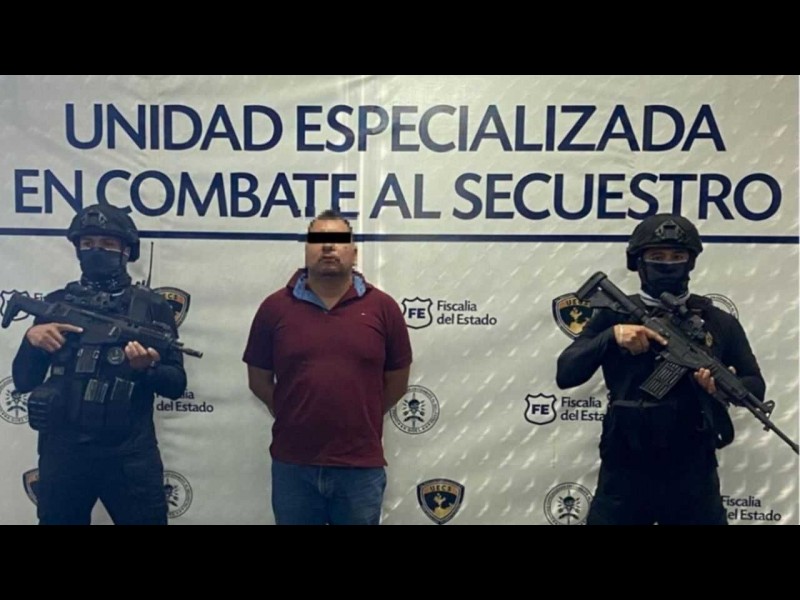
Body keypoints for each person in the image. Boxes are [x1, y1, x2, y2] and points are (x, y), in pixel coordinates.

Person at [556, 214, 766, 525]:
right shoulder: (614, 315)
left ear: (690, 262)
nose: (668, 264)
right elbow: (566, 373)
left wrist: (722, 388)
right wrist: (611, 337)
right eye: (657, 256)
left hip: (692, 469)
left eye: (677, 256)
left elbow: (754, 384)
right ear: (638, 262)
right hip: (625, 466)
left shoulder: (717, 321)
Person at [12, 203, 187, 525]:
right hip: (63, 454)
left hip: (129, 455)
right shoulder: (56, 304)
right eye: (88, 243)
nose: (96, 250)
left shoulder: (151, 306)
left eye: (107, 244)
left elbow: (176, 384)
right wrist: (31, 340)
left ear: (126, 250)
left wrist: (146, 368)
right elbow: (23, 381)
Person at [243, 209, 412, 525]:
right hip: (294, 466)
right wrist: (293, 410)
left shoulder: (383, 308)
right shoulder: (274, 308)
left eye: (338, 240)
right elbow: (258, 379)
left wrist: (360, 414)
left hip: (360, 468)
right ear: (307, 250)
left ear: (354, 252)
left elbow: (397, 382)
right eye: (319, 240)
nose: (329, 247)